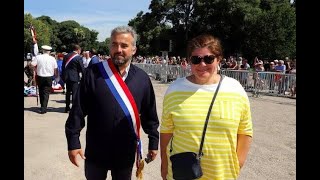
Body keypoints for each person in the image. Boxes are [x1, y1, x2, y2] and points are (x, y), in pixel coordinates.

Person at [65, 25, 159, 180]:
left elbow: (150, 113)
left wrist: (153, 141)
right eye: (114, 44)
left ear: (134, 50)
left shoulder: (142, 79)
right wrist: (73, 141)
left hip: (125, 152)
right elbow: (78, 111)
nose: (118, 49)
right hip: (96, 151)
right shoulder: (93, 73)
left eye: (124, 45)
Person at [160, 34, 253, 180]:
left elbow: (245, 131)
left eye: (208, 59)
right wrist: (164, 166)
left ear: (219, 60)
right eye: (196, 59)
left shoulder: (235, 89)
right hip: (182, 174)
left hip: (223, 175)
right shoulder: (175, 89)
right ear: (189, 61)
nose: (202, 65)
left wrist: (237, 164)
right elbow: (166, 131)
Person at [31, 45, 58, 114]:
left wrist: (35, 70)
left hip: (40, 76)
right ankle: (44, 107)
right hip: (49, 77)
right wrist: (56, 76)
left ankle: (42, 106)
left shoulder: (38, 57)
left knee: (41, 91)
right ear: (49, 51)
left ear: (43, 50)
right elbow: (55, 69)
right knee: (46, 92)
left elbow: (32, 65)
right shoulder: (52, 58)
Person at [62, 44, 84, 113]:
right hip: (74, 77)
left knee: (68, 93)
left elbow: (63, 67)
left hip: (67, 77)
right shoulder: (78, 57)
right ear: (78, 50)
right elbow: (81, 68)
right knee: (75, 93)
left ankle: (67, 108)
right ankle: (74, 109)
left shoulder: (66, 56)